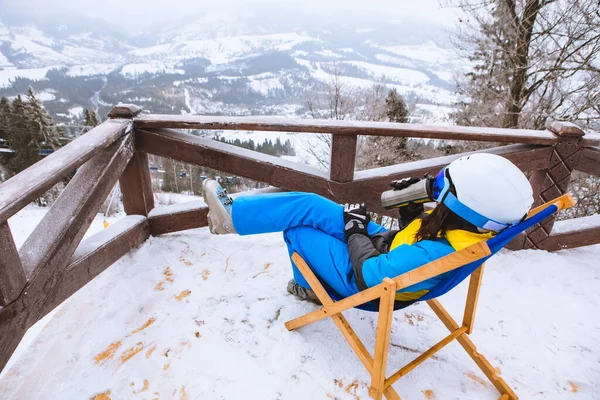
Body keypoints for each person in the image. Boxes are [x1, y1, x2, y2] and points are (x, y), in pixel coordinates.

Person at [202, 153, 533, 306]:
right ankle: (234, 217)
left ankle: (310, 291)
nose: (437, 190)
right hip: (388, 252)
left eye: (444, 189)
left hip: (372, 283)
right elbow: (415, 241)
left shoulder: (437, 254)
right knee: (310, 206)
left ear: (464, 208)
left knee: (298, 232)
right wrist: (410, 208)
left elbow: (370, 275)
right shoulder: (474, 229)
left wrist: (355, 231)